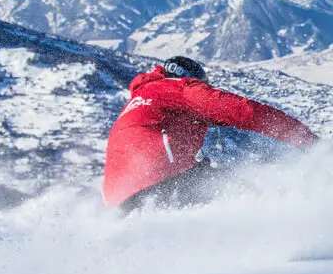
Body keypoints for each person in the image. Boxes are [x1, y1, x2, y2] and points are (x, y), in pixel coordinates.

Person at [103, 55, 317, 211]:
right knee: (246, 196)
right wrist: (306, 139)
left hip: (121, 202)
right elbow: (242, 111)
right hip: (162, 181)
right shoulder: (179, 87)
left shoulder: (141, 99)